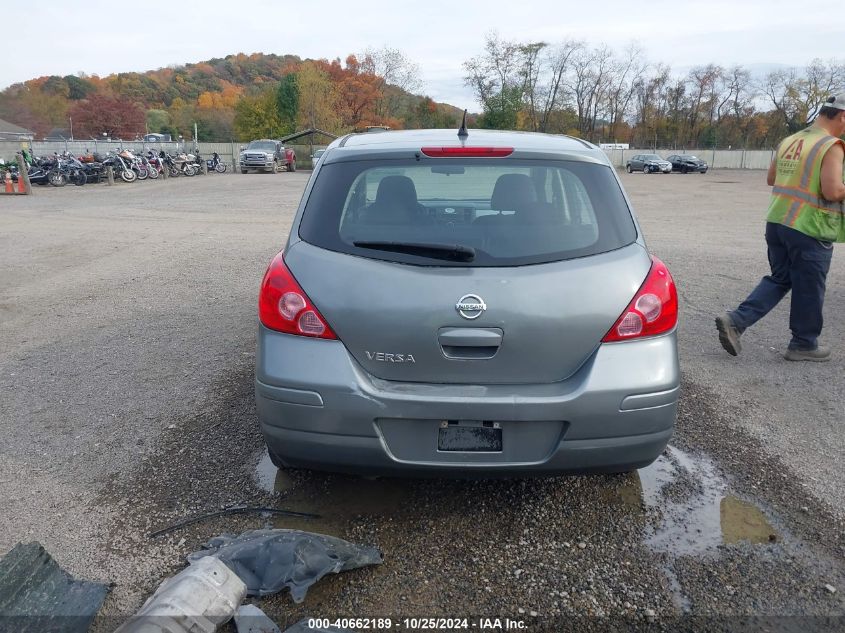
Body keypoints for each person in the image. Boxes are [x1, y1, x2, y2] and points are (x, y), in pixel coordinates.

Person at [716, 94, 845, 362]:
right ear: (843, 116)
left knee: (781, 278)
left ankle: (736, 321)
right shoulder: (830, 145)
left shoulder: (791, 140)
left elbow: (772, 177)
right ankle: (804, 344)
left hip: (778, 223)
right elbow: (833, 191)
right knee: (810, 286)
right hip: (809, 226)